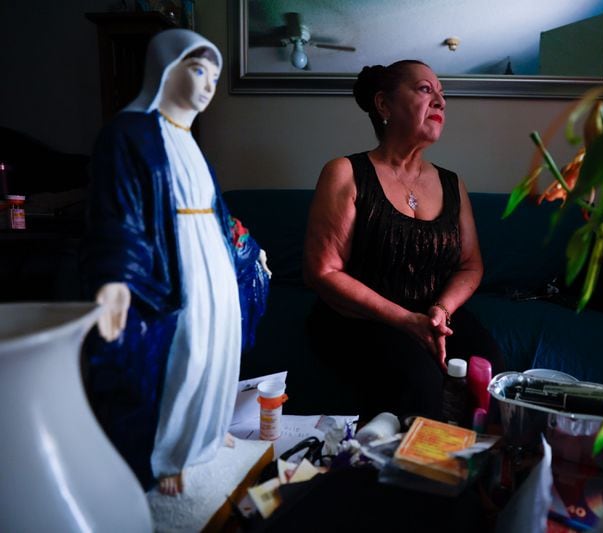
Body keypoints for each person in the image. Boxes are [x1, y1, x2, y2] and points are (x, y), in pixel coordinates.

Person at [81, 29, 270, 495]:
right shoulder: (128, 134)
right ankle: (165, 453)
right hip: (172, 264)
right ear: (165, 68)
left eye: (215, 75)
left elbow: (215, 210)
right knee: (183, 354)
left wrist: (246, 251)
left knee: (216, 351)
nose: (209, 85)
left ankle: (203, 435)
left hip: (211, 259)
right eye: (199, 70)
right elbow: (118, 213)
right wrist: (118, 279)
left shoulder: (189, 140)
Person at [304, 60, 503, 424]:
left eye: (442, 93)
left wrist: (439, 312)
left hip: (433, 315)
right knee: (420, 384)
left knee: (489, 373)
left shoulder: (452, 183)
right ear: (384, 105)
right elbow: (323, 270)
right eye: (425, 89)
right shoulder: (344, 173)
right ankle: (407, 476)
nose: (440, 101)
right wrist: (404, 320)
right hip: (360, 319)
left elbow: (470, 264)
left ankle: (480, 474)